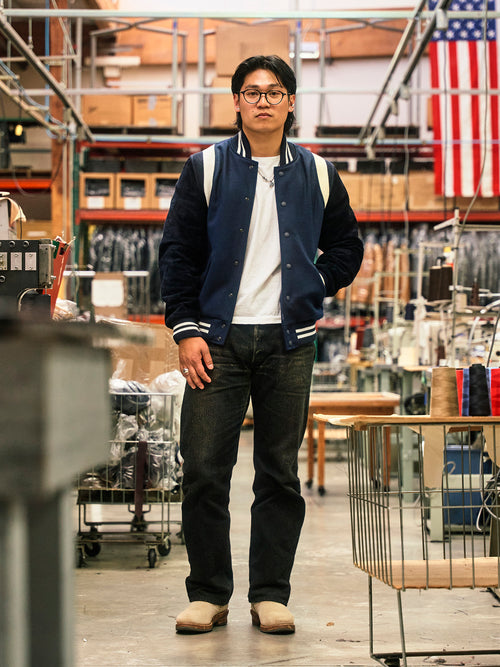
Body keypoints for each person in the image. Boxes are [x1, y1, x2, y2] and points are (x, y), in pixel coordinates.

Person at [158, 54, 363, 635]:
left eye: (276, 91)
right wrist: (187, 329)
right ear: (238, 104)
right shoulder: (206, 168)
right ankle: (209, 594)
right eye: (252, 92)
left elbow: (348, 246)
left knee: (278, 473)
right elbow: (177, 255)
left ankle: (269, 594)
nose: (265, 100)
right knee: (202, 469)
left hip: (288, 342)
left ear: (291, 102)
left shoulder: (318, 173)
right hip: (216, 342)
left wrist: (313, 283)